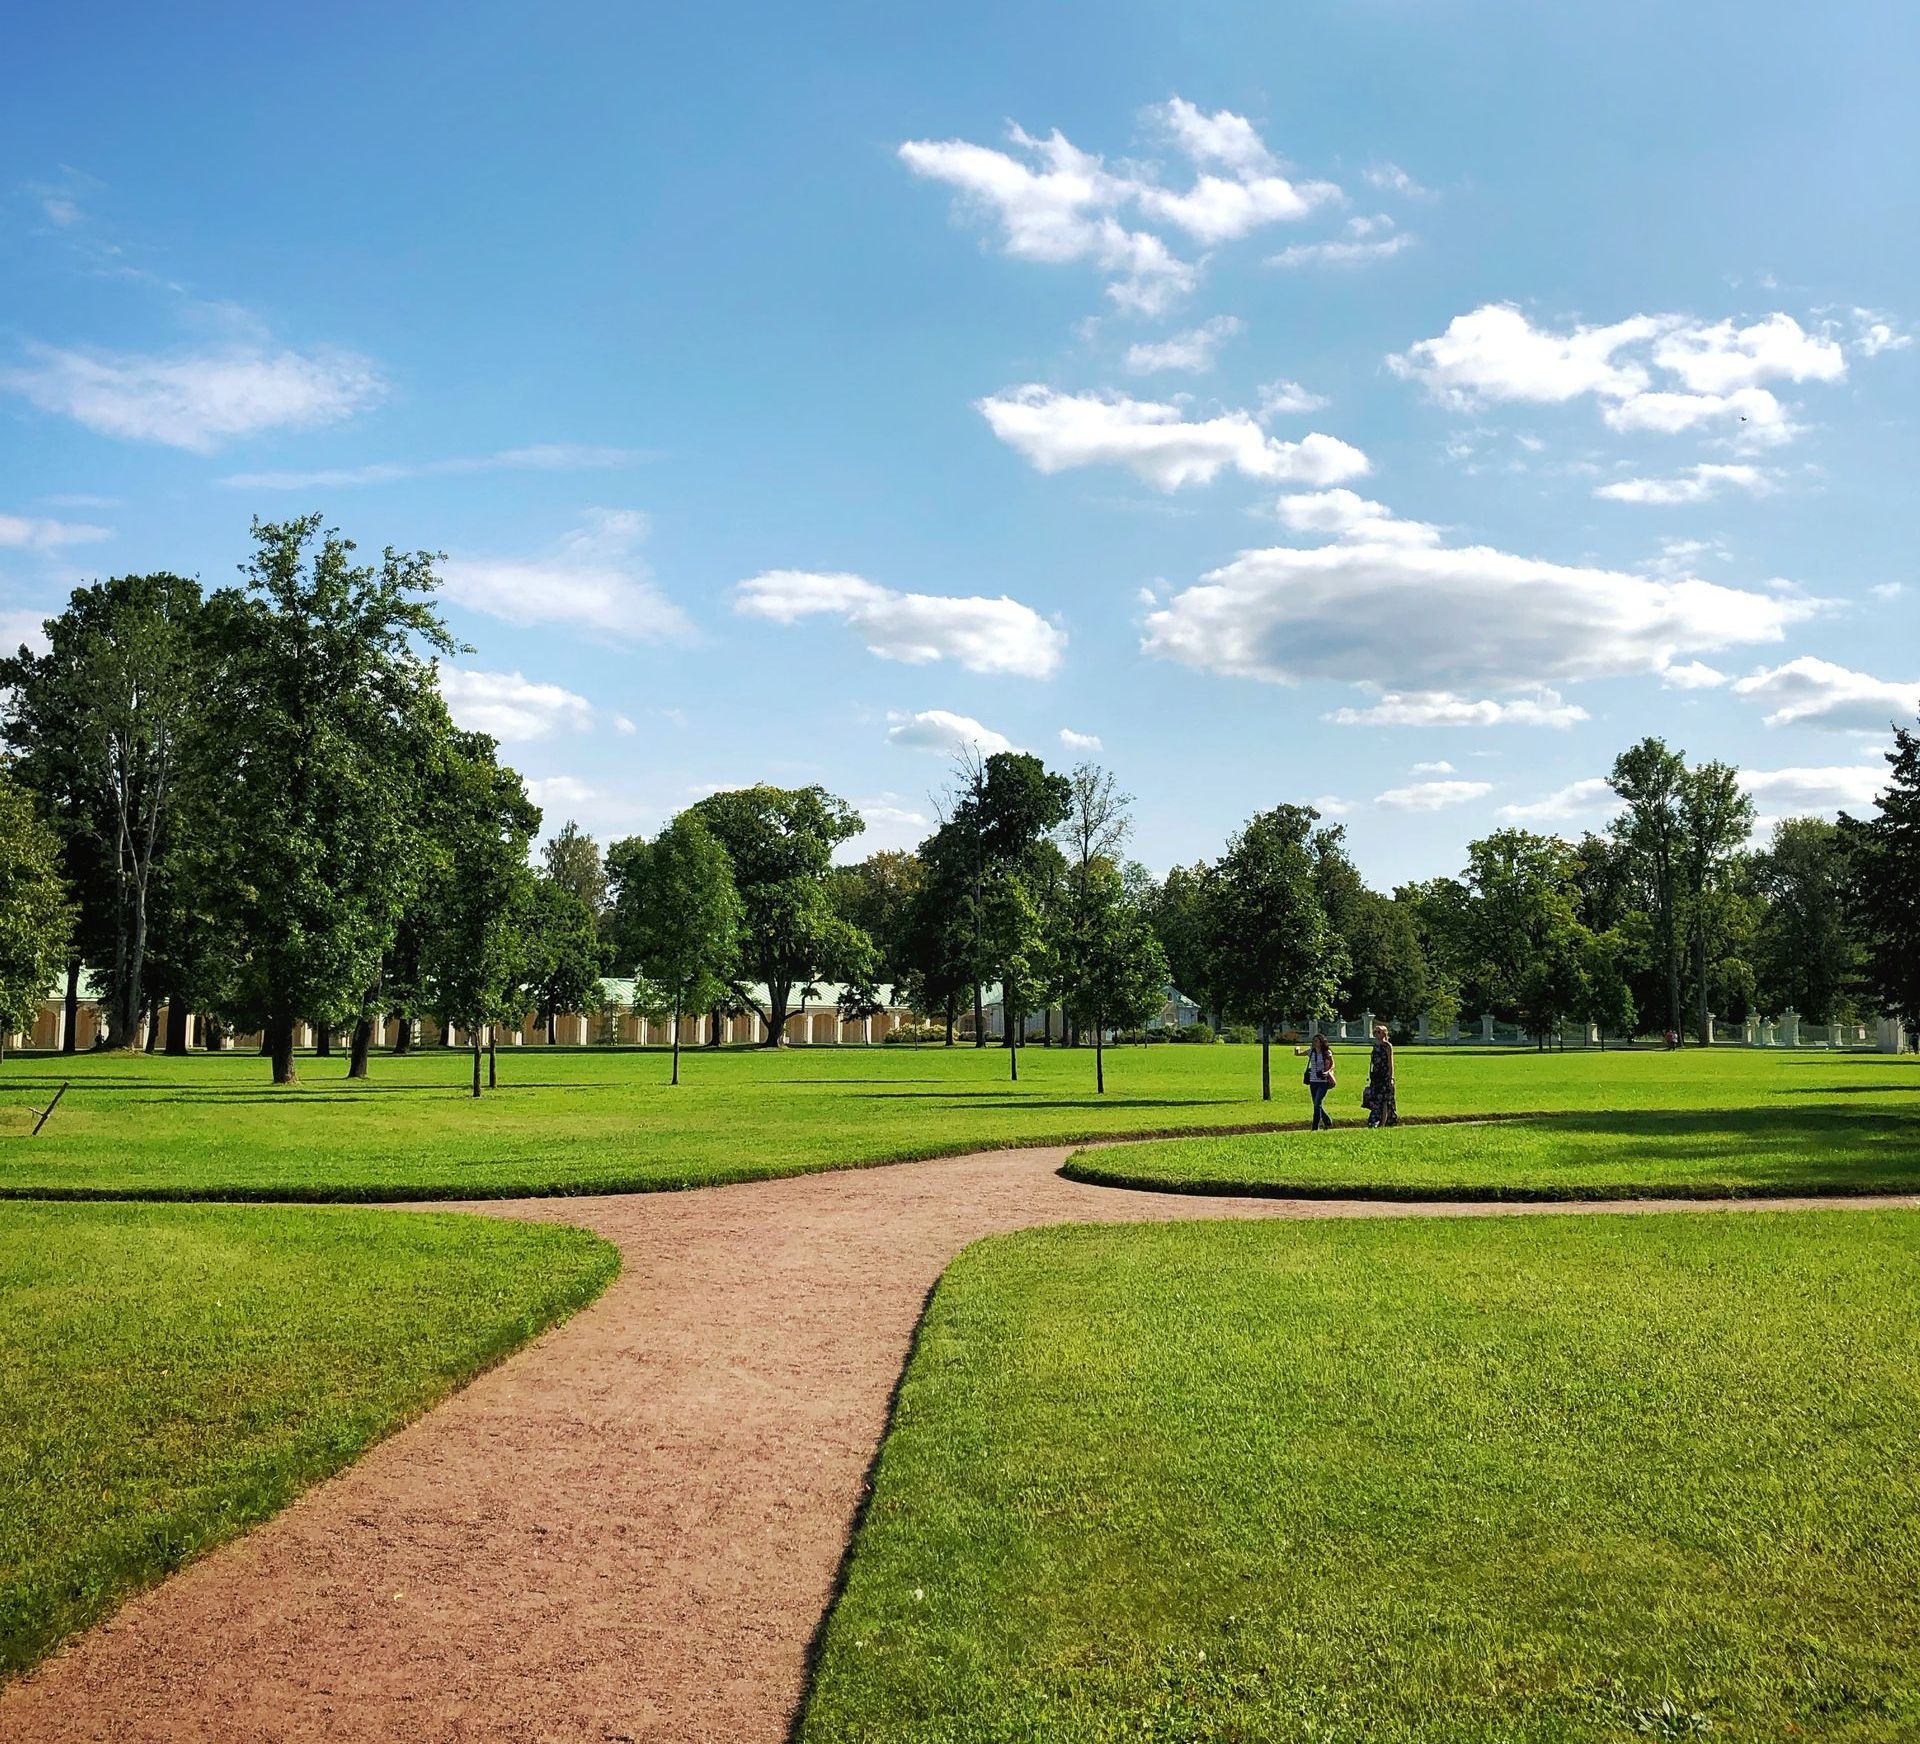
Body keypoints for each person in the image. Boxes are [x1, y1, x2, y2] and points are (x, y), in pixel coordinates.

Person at [1293, 1032, 1336, 1128]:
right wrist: (1297, 1048)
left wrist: (1328, 1071)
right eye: (1314, 1041)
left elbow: (1332, 1064)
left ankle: (1315, 1127)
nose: (1314, 1042)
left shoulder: (1327, 1052)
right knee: (1317, 1104)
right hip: (1313, 1081)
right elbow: (1298, 1054)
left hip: (1323, 1082)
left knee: (1317, 1103)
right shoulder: (1311, 1052)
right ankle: (1327, 1121)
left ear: (1321, 1042)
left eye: (1316, 1041)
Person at [1365, 1023, 1398, 1128]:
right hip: (1376, 1076)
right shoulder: (1375, 1046)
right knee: (1376, 1098)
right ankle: (1376, 1120)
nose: (1376, 1033)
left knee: (1385, 1100)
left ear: (1384, 1034)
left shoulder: (1387, 1046)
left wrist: (1391, 1077)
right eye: (1375, 1031)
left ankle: (1383, 1123)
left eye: (1378, 1031)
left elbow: (1390, 1062)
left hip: (1385, 1075)